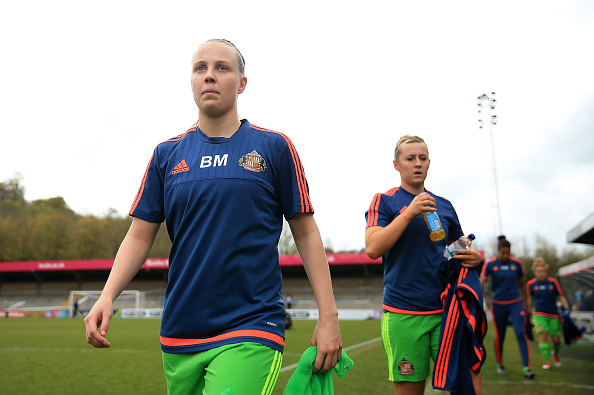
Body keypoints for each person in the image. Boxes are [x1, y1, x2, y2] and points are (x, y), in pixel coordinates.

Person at [84, 39, 342, 394]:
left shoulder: (274, 147)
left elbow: (307, 233)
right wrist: (107, 295)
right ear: (191, 81)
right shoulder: (166, 155)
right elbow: (139, 235)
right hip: (180, 330)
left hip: (251, 325)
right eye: (200, 68)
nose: (209, 76)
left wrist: (328, 316)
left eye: (222, 68)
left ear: (242, 83)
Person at [365, 135, 483, 395]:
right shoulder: (384, 201)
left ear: (429, 163)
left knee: (466, 387)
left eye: (422, 158)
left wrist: (474, 259)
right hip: (403, 314)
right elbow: (373, 248)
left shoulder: (445, 206)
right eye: (410, 159)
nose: (417, 163)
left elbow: (454, 252)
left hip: (447, 314)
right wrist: (409, 212)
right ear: (396, 165)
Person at [480, 235, 535, 379]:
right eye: (503, 253)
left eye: (507, 253)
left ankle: (527, 368)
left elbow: (523, 284)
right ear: (498, 251)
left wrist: (526, 303)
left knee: (520, 332)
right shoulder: (491, 264)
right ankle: (499, 364)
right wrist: (482, 297)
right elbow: (482, 280)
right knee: (501, 335)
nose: (505, 255)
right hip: (498, 304)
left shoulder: (516, 264)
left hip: (516, 303)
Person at [526, 257, 570, 370]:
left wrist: (566, 308)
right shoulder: (531, 284)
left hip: (554, 315)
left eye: (543, 271)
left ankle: (555, 353)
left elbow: (560, 296)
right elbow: (530, 299)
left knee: (556, 340)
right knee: (543, 335)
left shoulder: (553, 282)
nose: (542, 273)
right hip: (539, 314)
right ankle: (547, 361)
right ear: (535, 272)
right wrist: (529, 313)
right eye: (539, 271)